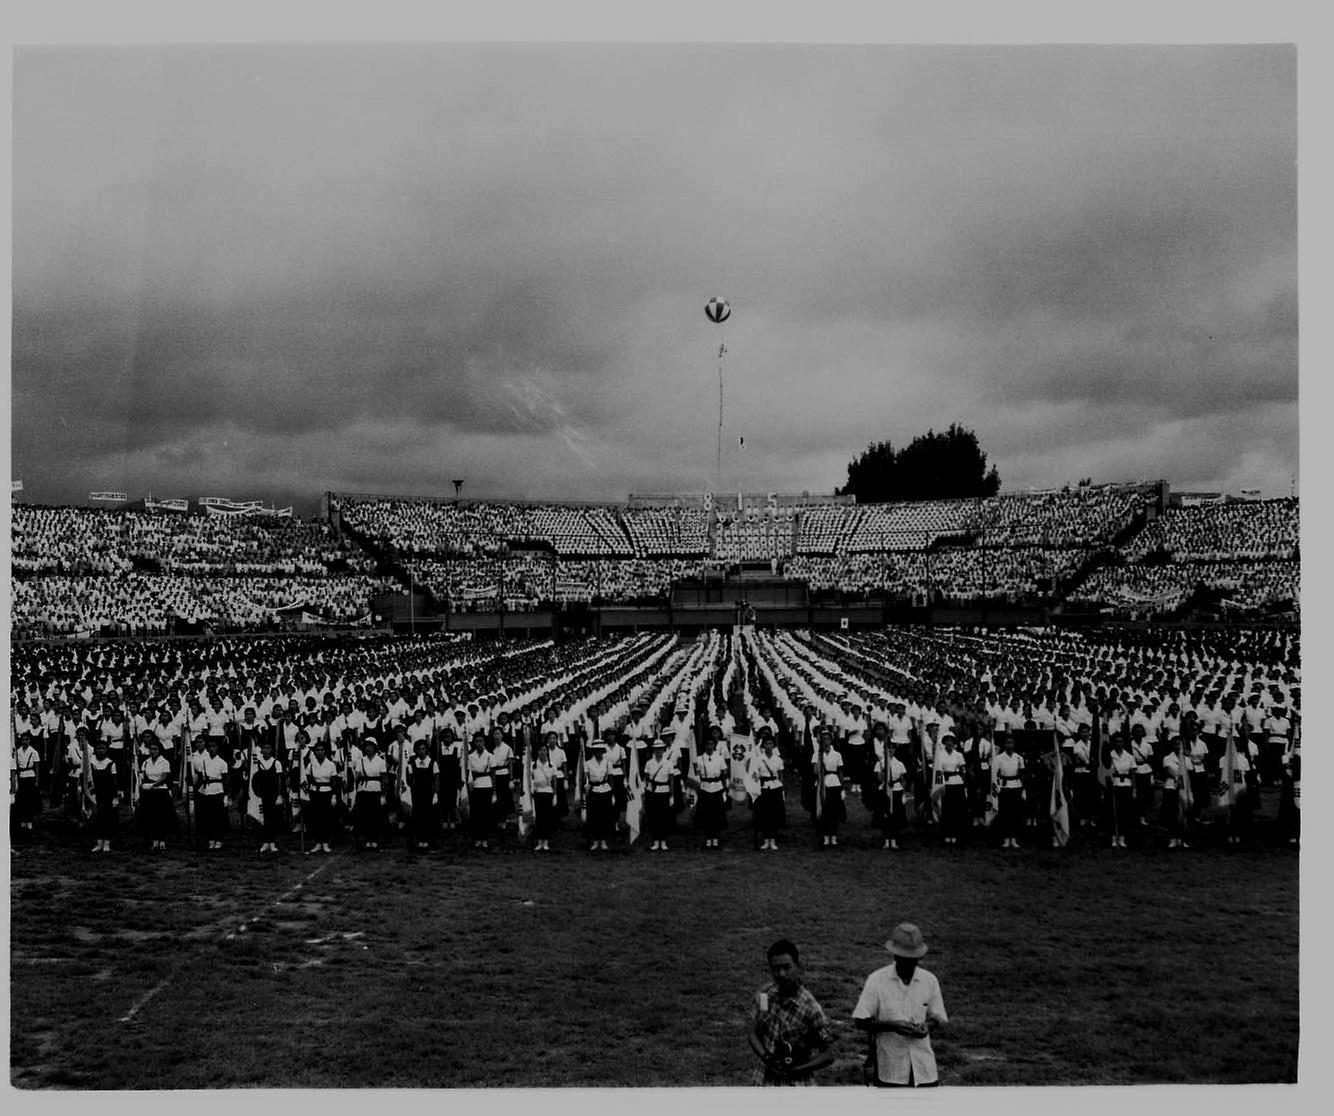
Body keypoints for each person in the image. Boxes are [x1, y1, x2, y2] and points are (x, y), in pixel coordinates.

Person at [853, 922, 948, 1088]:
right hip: (890, 1070)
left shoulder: (929, 980)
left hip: (924, 1070)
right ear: (895, 956)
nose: (909, 964)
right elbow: (860, 1021)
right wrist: (893, 1025)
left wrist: (927, 1026)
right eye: (904, 959)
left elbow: (938, 1016)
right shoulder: (877, 980)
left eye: (913, 959)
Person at [748, 939, 834, 1086]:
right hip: (762, 1081)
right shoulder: (764, 994)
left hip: (796, 1087)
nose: (781, 974)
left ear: (798, 967)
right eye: (776, 969)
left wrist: (796, 1070)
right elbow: (751, 1031)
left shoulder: (811, 1008)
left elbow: (829, 1054)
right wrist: (766, 1057)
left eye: (787, 967)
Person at [137, 738, 177, 851]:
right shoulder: (146, 762)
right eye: (151, 749)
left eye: (155, 749)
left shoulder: (164, 762)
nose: (153, 751)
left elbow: (164, 777)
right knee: (151, 816)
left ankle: (162, 840)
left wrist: (153, 785)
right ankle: (155, 840)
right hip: (149, 793)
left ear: (159, 750)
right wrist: (144, 784)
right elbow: (143, 776)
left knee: (162, 816)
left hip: (161, 791)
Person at [303, 739, 340, 854]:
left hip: (327, 793)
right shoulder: (311, 765)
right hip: (315, 793)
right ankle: (318, 842)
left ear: (325, 751)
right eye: (317, 750)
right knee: (316, 818)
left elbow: (334, 781)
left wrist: (333, 795)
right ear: (314, 752)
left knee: (326, 818)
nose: (319, 752)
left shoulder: (330, 764)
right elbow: (308, 779)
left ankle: (325, 842)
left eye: (322, 750)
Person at [353, 735, 388, 850]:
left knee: (376, 816)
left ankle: (375, 839)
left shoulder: (381, 761)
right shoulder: (361, 761)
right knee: (365, 816)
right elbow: (357, 777)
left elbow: (384, 779)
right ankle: (368, 839)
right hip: (364, 790)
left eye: (370, 746)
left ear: (375, 747)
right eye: (366, 746)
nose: (368, 748)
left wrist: (383, 795)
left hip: (376, 790)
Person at [693, 733, 728, 849]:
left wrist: (724, 791)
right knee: (706, 815)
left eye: (711, 744)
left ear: (715, 745)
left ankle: (716, 839)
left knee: (717, 815)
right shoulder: (699, 759)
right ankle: (708, 839)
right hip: (705, 788)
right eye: (707, 744)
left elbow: (723, 775)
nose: (709, 746)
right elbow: (696, 777)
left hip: (717, 787)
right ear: (704, 746)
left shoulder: (720, 758)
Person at [251, 738, 285, 855]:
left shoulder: (276, 763)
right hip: (261, 795)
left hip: (273, 795)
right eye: (264, 748)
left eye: (268, 748)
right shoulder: (258, 763)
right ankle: (265, 842)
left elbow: (279, 780)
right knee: (263, 818)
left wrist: (279, 795)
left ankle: (272, 842)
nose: (265, 750)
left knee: (272, 818)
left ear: (272, 750)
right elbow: (254, 779)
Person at [196, 736, 230, 851]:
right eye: (209, 746)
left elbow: (225, 780)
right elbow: (201, 778)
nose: (211, 749)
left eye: (214, 746)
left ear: (217, 748)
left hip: (218, 790)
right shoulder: (204, 761)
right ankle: (210, 840)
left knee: (218, 817)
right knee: (208, 817)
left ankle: (219, 839)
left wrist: (226, 795)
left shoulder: (222, 763)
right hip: (207, 790)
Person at [872, 740, 908, 849]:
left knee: (896, 816)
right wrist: (884, 770)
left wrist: (904, 793)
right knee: (885, 815)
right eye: (888, 748)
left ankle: (894, 839)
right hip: (884, 790)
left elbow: (903, 779)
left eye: (892, 748)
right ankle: (886, 839)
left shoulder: (899, 763)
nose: (890, 751)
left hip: (896, 789)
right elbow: (879, 778)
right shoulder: (880, 763)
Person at [993, 734, 1025, 849]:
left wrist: (1023, 790)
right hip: (1004, 787)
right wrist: (997, 788)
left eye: (1011, 743)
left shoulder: (1019, 758)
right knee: (1005, 814)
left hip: (1016, 786)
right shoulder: (998, 758)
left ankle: (1014, 838)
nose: (1009, 745)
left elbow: (1022, 775)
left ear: (1014, 744)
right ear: (1004, 745)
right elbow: (995, 775)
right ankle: (1006, 838)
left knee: (1015, 814)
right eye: (1007, 743)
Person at [643, 738, 676, 851]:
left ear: (664, 750)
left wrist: (671, 796)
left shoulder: (668, 763)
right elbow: (646, 778)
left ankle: (663, 841)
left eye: (661, 749)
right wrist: (646, 789)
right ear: (653, 750)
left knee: (664, 817)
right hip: (653, 793)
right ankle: (656, 841)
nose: (658, 751)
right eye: (656, 749)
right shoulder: (649, 763)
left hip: (664, 792)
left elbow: (671, 780)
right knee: (654, 817)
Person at [584, 738, 617, 851]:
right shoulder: (588, 763)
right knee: (594, 817)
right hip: (593, 791)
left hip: (605, 790)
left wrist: (612, 794)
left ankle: (603, 840)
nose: (598, 752)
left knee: (604, 816)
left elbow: (611, 779)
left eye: (600, 750)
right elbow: (586, 779)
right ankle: (595, 840)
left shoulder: (608, 763)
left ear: (603, 751)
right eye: (596, 750)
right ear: (593, 751)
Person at [89, 740, 121, 853]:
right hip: (96, 795)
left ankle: (107, 843)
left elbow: (114, 782)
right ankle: (99, 843)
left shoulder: (111, 763)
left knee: (107, 819)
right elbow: (89, 780)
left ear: (107, 750)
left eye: (103, 748)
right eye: (98, 748)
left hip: (108, 795)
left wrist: (115, 797)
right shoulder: (92, 763)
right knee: (98, 818)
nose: (101, 751)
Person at [407, 738, 439, 851]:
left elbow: (436, 779)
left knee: (428, 817)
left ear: (427, 750)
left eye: (423, 749)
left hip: (428, 793)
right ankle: (419, 840)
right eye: (419, 749)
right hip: (417, 794)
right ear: (415, 751)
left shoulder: (432, 762)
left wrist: (435, 794)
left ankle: (428, 840)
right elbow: (410, 779)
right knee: (418, 816)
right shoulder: (412, 763)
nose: (421, 751)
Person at [466, 731, 494, 850]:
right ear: (474, 743)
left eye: (481, 741)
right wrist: (470, 784)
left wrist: (494, 788)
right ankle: (477, 838)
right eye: (477, 741)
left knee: (485, 813)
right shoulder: (470, 756)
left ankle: (485, 838)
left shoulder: (489, 756)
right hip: (475, 785)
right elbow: (469, 773)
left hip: (487, 784)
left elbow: (493, 773)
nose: (479, 744)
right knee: (476, 813)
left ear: (484, 742)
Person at [531, 738, 559, 852]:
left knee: (547, 818)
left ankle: (546, 841)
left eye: (544, 750)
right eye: (540, 750)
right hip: (538, 793)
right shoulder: (533, 765)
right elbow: (531, 779)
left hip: (548, 792)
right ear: (537, 752)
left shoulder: (552, 765)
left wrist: (555, 795)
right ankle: (539, 841)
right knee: (539, 818)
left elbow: (554, 781)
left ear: (547, 751)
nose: (542, 752)